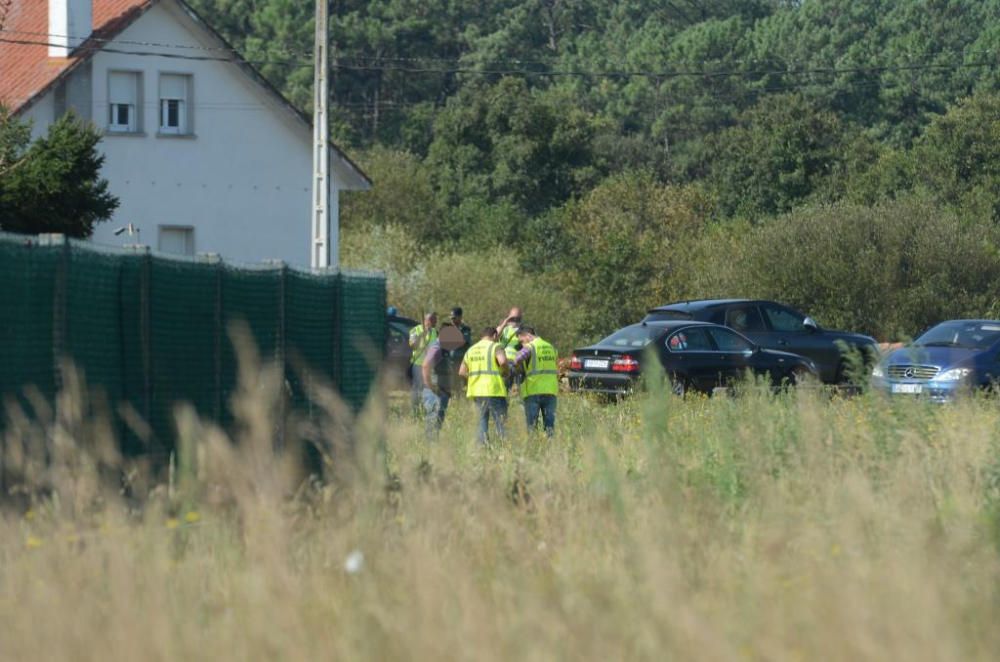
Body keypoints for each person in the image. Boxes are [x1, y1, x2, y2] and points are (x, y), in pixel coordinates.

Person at [459, 326, 509, 445]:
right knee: (501, 422)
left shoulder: (471, 350)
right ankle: (504, 448)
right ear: (495, 336)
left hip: (477, 392)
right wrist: (505, 372)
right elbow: (502, 361)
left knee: (481, 422)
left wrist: (473, 378)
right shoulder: (495, 346)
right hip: (493, 390)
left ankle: (481, 449)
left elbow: (461, 372)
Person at [512, 325, 559, 437]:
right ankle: (550, 450)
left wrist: (518, 368)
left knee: (532, 426)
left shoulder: (530, 347)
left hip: (534, 391)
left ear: (528, 336)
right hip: (551, 391)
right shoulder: (551, 347)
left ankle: (533, 448)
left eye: (521, 341)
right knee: (549, 426)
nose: (522, 344)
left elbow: (516, 359)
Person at [421, 335, 455, 439]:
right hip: (435, 392)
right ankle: (431, 448)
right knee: (433, 420)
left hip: (442, 391)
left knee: (438, 421)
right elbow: (426, 365)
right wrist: (430, 386)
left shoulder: (444, 348)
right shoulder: (437, 348)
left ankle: (434, 447)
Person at [409, 312, 438, 415]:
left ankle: (427, 409)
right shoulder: (415, 330)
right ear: (427, 321)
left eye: (436, 320)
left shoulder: (435, 331)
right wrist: (422, 335)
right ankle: (415, 412)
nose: (436, 322)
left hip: (430, 365)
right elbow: (412, 345)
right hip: (418, 364)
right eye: (434, 320)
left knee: (428, 388)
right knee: (417, 389)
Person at [449, 307, 473, 382]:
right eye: (451, 318)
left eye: (454, 318)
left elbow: (462, 342)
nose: (452, 320)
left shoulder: (465, 329)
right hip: (450, 362)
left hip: (461, 361)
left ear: (460, 317)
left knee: (463, 382)